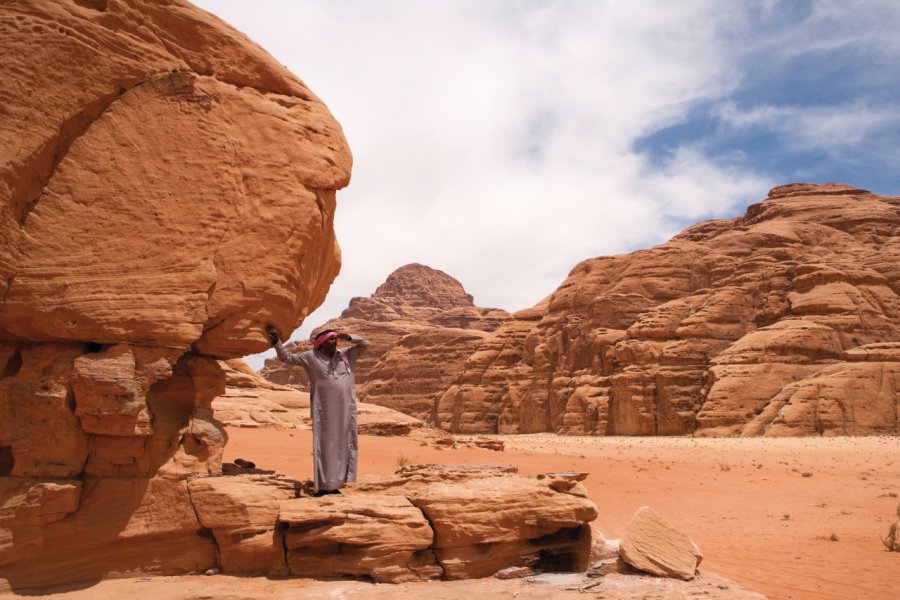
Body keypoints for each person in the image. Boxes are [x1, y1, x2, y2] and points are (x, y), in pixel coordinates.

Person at [266, 325, 370, 497]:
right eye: (331, 338)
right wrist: (276, 341)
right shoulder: (311, 357)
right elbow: (286, 357)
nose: (335, 340)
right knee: (325, 444)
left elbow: (365, 344)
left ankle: (340, 482)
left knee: (345, 442)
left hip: (346, 408)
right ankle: (324, 486)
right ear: (321, 343)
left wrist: (348, 336)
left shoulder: (347, 355)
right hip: (325, 410)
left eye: (335, 338)